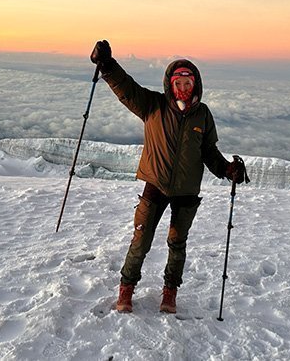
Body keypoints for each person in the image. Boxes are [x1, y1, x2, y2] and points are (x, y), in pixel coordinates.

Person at [90, 40, 248, 314]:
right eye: (179, 83)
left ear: (195, 85)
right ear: (170, 84)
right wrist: (107, 65)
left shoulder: (203, 115)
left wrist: (227, 169)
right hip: (156, 185)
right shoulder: (153, 105)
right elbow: (127, 90)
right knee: (141, 241)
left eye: (188, 84)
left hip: (186, 191)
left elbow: (209, 151)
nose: (184, 89)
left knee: (177, 244)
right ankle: (126, 289)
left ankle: (169, 293)